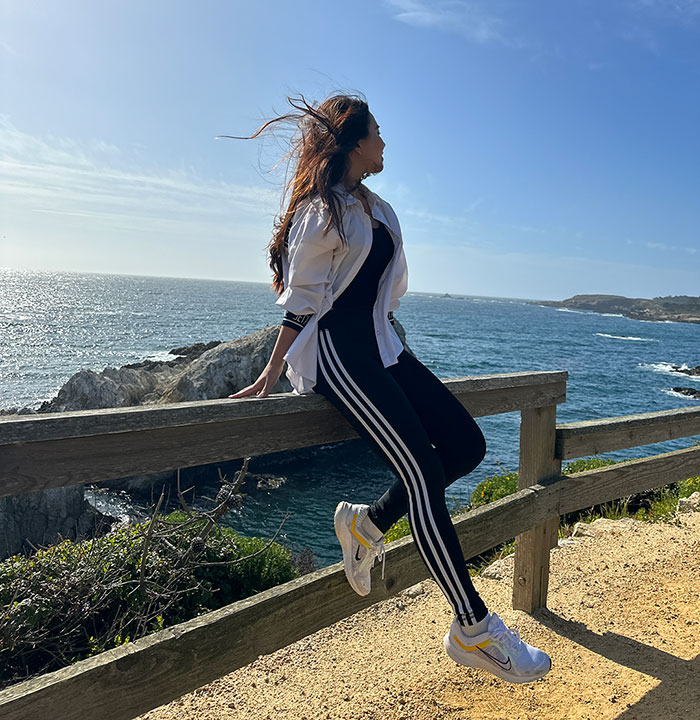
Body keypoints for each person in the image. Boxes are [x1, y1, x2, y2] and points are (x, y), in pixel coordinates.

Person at [227, 93, 551, 683]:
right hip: (338, 357)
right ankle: (473, 629)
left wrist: (394, 353)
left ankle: (366, 524)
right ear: (352, 142)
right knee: (422, 473)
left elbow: (384, 295)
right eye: (376, 132)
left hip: (381, 349)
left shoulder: (379, 210)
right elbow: (302, 301)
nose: (384, 141)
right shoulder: (320, 211)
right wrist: (271, 373)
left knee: (466, 447)